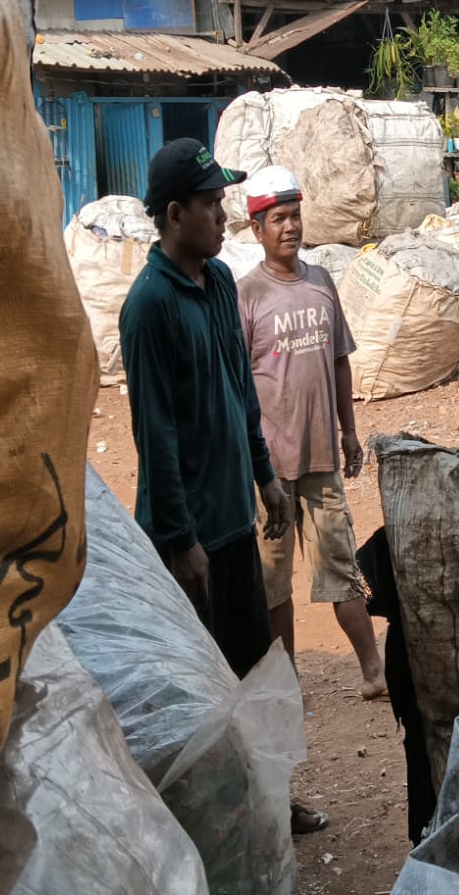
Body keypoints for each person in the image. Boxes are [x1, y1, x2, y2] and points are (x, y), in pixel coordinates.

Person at [118, 139, 325, 835]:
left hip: (235, 520)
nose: (223, 215)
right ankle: (211, 830)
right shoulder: (149, 307)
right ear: (175, 214)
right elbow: (158, 434)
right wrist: (181, 542)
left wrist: (265, 476)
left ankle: (268, 801)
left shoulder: (217, 285)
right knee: (197, 691)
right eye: (211, 205)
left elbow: (241, 393)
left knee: (250, 670)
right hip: (190, 539)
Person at [237, 166, 388, 703]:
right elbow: (237, 387)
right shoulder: (246, 296)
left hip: (322, 458)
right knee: (274, 584)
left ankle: (374, 671)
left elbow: (340, 363)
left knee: (341, 569)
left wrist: (350, 432)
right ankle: (289, 685)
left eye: (295, 216)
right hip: (270, 472)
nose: (290, 227)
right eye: (277, 219)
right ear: (257, 229)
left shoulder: (322, 283)